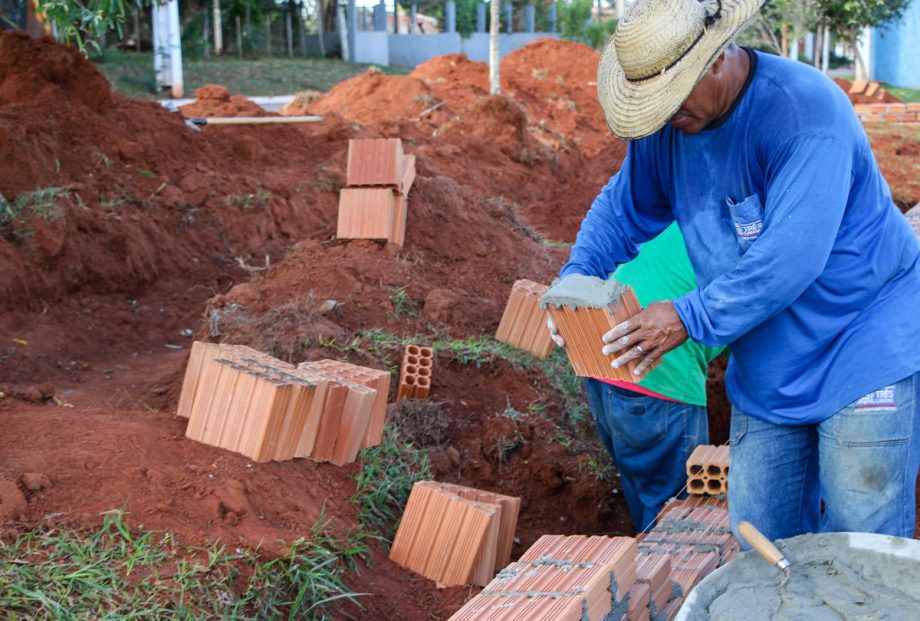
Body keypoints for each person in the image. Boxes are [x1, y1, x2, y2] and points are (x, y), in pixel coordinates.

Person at [549, 0, 920, 543]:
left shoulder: (804, 115)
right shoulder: (668, 127)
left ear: (719, 56)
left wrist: (685, 316)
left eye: (674, 97)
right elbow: (621, 208)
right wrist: (577, 278)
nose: (666, 115)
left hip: (861, 346)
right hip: (770, 365)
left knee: (859, 542)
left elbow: (790, 258)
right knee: (762, 539)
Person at [579, 223, 724, 532]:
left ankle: (644, 568)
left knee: (645, 488)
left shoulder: (681, 218)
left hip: (602, 368)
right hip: (660, 375)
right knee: (677, 512)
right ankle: (663, 573)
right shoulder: (752, 241)